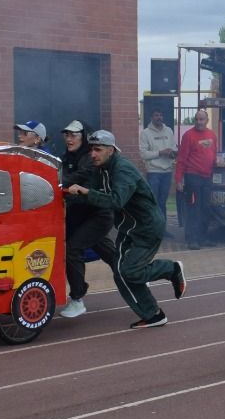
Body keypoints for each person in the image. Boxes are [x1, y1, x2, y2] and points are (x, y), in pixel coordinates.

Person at [63, 130, 186, 329]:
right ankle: (153, 314)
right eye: (91, 150)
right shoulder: (100, 168)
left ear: (110, 150)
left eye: (97, 150)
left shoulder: (123, 170)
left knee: (129, 271)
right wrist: (59, 191)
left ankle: (172, 269)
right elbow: (81, 177)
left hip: (147, 227)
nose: (92, 154)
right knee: (121, 273)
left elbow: (116, 200)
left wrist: (86, 192)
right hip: (128, 228)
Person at [58, 120, 111, 318]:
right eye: (66, 135)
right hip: (80, 216)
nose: (68, 139)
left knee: (72, 249)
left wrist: (57, 182)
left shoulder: (90, 157)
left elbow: (79, 177)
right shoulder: (66, 157)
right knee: (109, 253)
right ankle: (137, 273)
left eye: (73, 135)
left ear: (83, 137)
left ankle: (77, 299)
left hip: (96, 214)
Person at [174, 106, 217, 248]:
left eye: (202, 119)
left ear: (207, 120)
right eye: (197, 119)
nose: (199, 122)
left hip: (207, 177)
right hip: (192, 176)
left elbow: (213, 154)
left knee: (205, 208)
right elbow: (181, 159)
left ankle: (203, 238)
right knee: (193, 209)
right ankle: (192, 239)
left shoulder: (212, 135)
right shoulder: (188, 136)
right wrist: (179, 179)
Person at [139, 107, 177, 218]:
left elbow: (173, 147)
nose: (159, 117)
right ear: (151, 117)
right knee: (153, 202)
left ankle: (162, 229)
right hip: (154, 172)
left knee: (163, 203)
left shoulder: (169, 130)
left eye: (160, 115)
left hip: (167, 172)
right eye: (156, 115)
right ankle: (153, 230)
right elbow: (143, 154)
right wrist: (160, 153)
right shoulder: (145, 133)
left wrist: (173, 153)